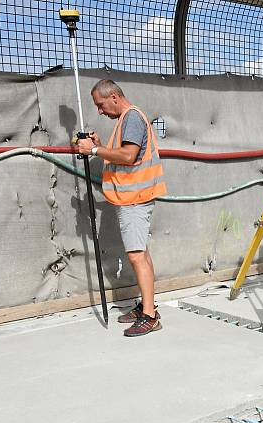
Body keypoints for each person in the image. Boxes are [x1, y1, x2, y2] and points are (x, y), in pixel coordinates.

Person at [75, 79, 166, 336]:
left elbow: (129, 156)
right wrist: (101, 144)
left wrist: (93, 149)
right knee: (141, 254)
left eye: (101, 105)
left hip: (135, 199)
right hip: (132, 197)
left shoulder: (132, 118)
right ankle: (147, 306)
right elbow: (123, 155)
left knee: (137, 256)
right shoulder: (125, 120)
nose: (100, 111)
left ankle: (150, 315)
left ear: (114, 96)